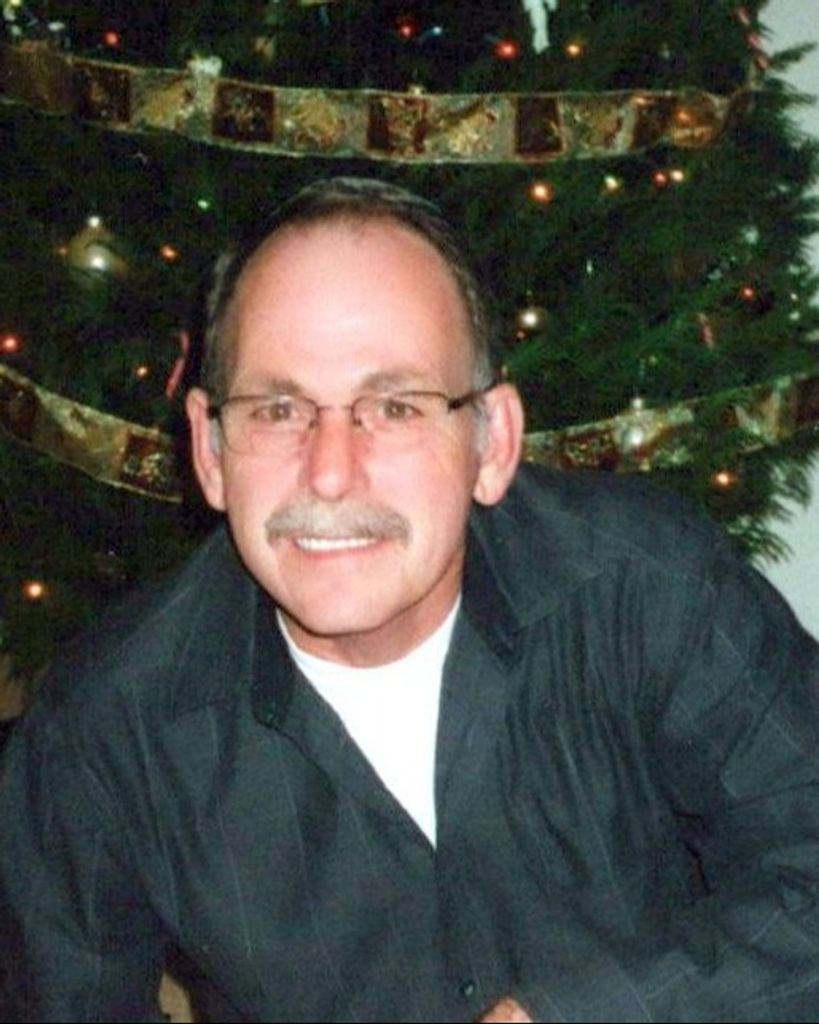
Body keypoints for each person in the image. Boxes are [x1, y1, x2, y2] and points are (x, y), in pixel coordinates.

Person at [1, 176, 818, 1024]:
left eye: (393, 407)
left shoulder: (651, 588)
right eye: (277, 409)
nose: (329, 472)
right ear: (210, 452)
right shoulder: (102, 729)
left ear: (491, 443)